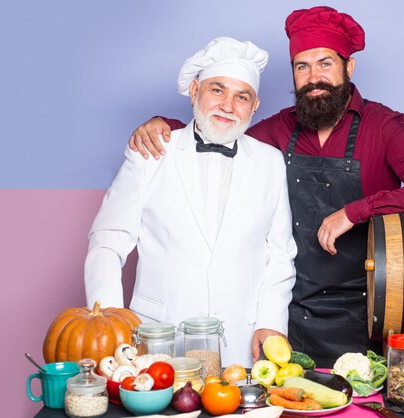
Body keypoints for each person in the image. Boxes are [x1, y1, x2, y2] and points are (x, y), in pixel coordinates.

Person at [128, 7, 404, 367]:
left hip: (364, 312)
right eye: (302, 66)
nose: (314, 77)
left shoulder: (383, 127)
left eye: (325, 63)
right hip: (290, 316)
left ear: (349, 68)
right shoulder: (277, 129)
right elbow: (220, 136)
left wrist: (355, 212)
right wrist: (166, 125)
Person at [84, 37, 297, 367]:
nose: (228, 105)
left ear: (255, 107)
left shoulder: (270, 162)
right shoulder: (151, 151)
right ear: (195, 91)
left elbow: (280, 253)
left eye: (242, 97)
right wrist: (110, 327)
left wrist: (271, 322)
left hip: (239, 347)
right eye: (217, 90)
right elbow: (107, 244)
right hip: (156, 344)